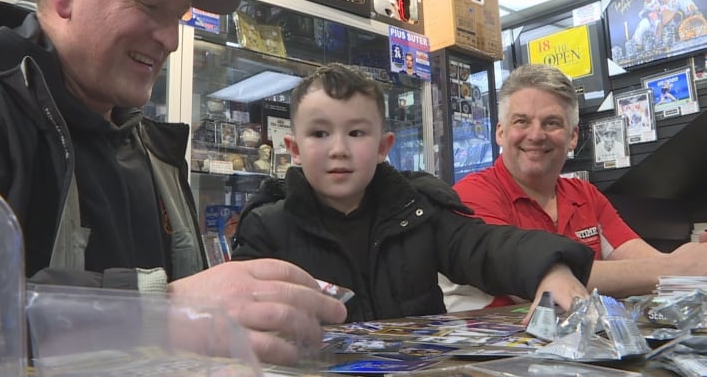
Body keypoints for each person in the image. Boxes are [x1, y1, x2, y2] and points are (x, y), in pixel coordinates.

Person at [0, 0, 345, 365]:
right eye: (149, 5)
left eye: (178, 16)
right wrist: (158, 312)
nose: (171, 40)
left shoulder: (151, 149)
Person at [232, 63, 595, 324]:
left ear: (383, 146)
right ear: (293, 148)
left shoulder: (419, 209)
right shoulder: (266, 227)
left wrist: (550, 268)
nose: (338, 149)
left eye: (356, 133)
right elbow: (244, 321)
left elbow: (484, 246)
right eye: (320, 134)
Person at [442, 63, 707, 311]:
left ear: (573, 137)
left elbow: (646, 261)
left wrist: (693, 263)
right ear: (500, 132)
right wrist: (676, 268)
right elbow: (531, 283)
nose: (535, 135)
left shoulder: (585, 195)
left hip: (579, 348)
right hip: (496, 355)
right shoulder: (472, 195)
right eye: (521, 121)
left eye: (552, 123)